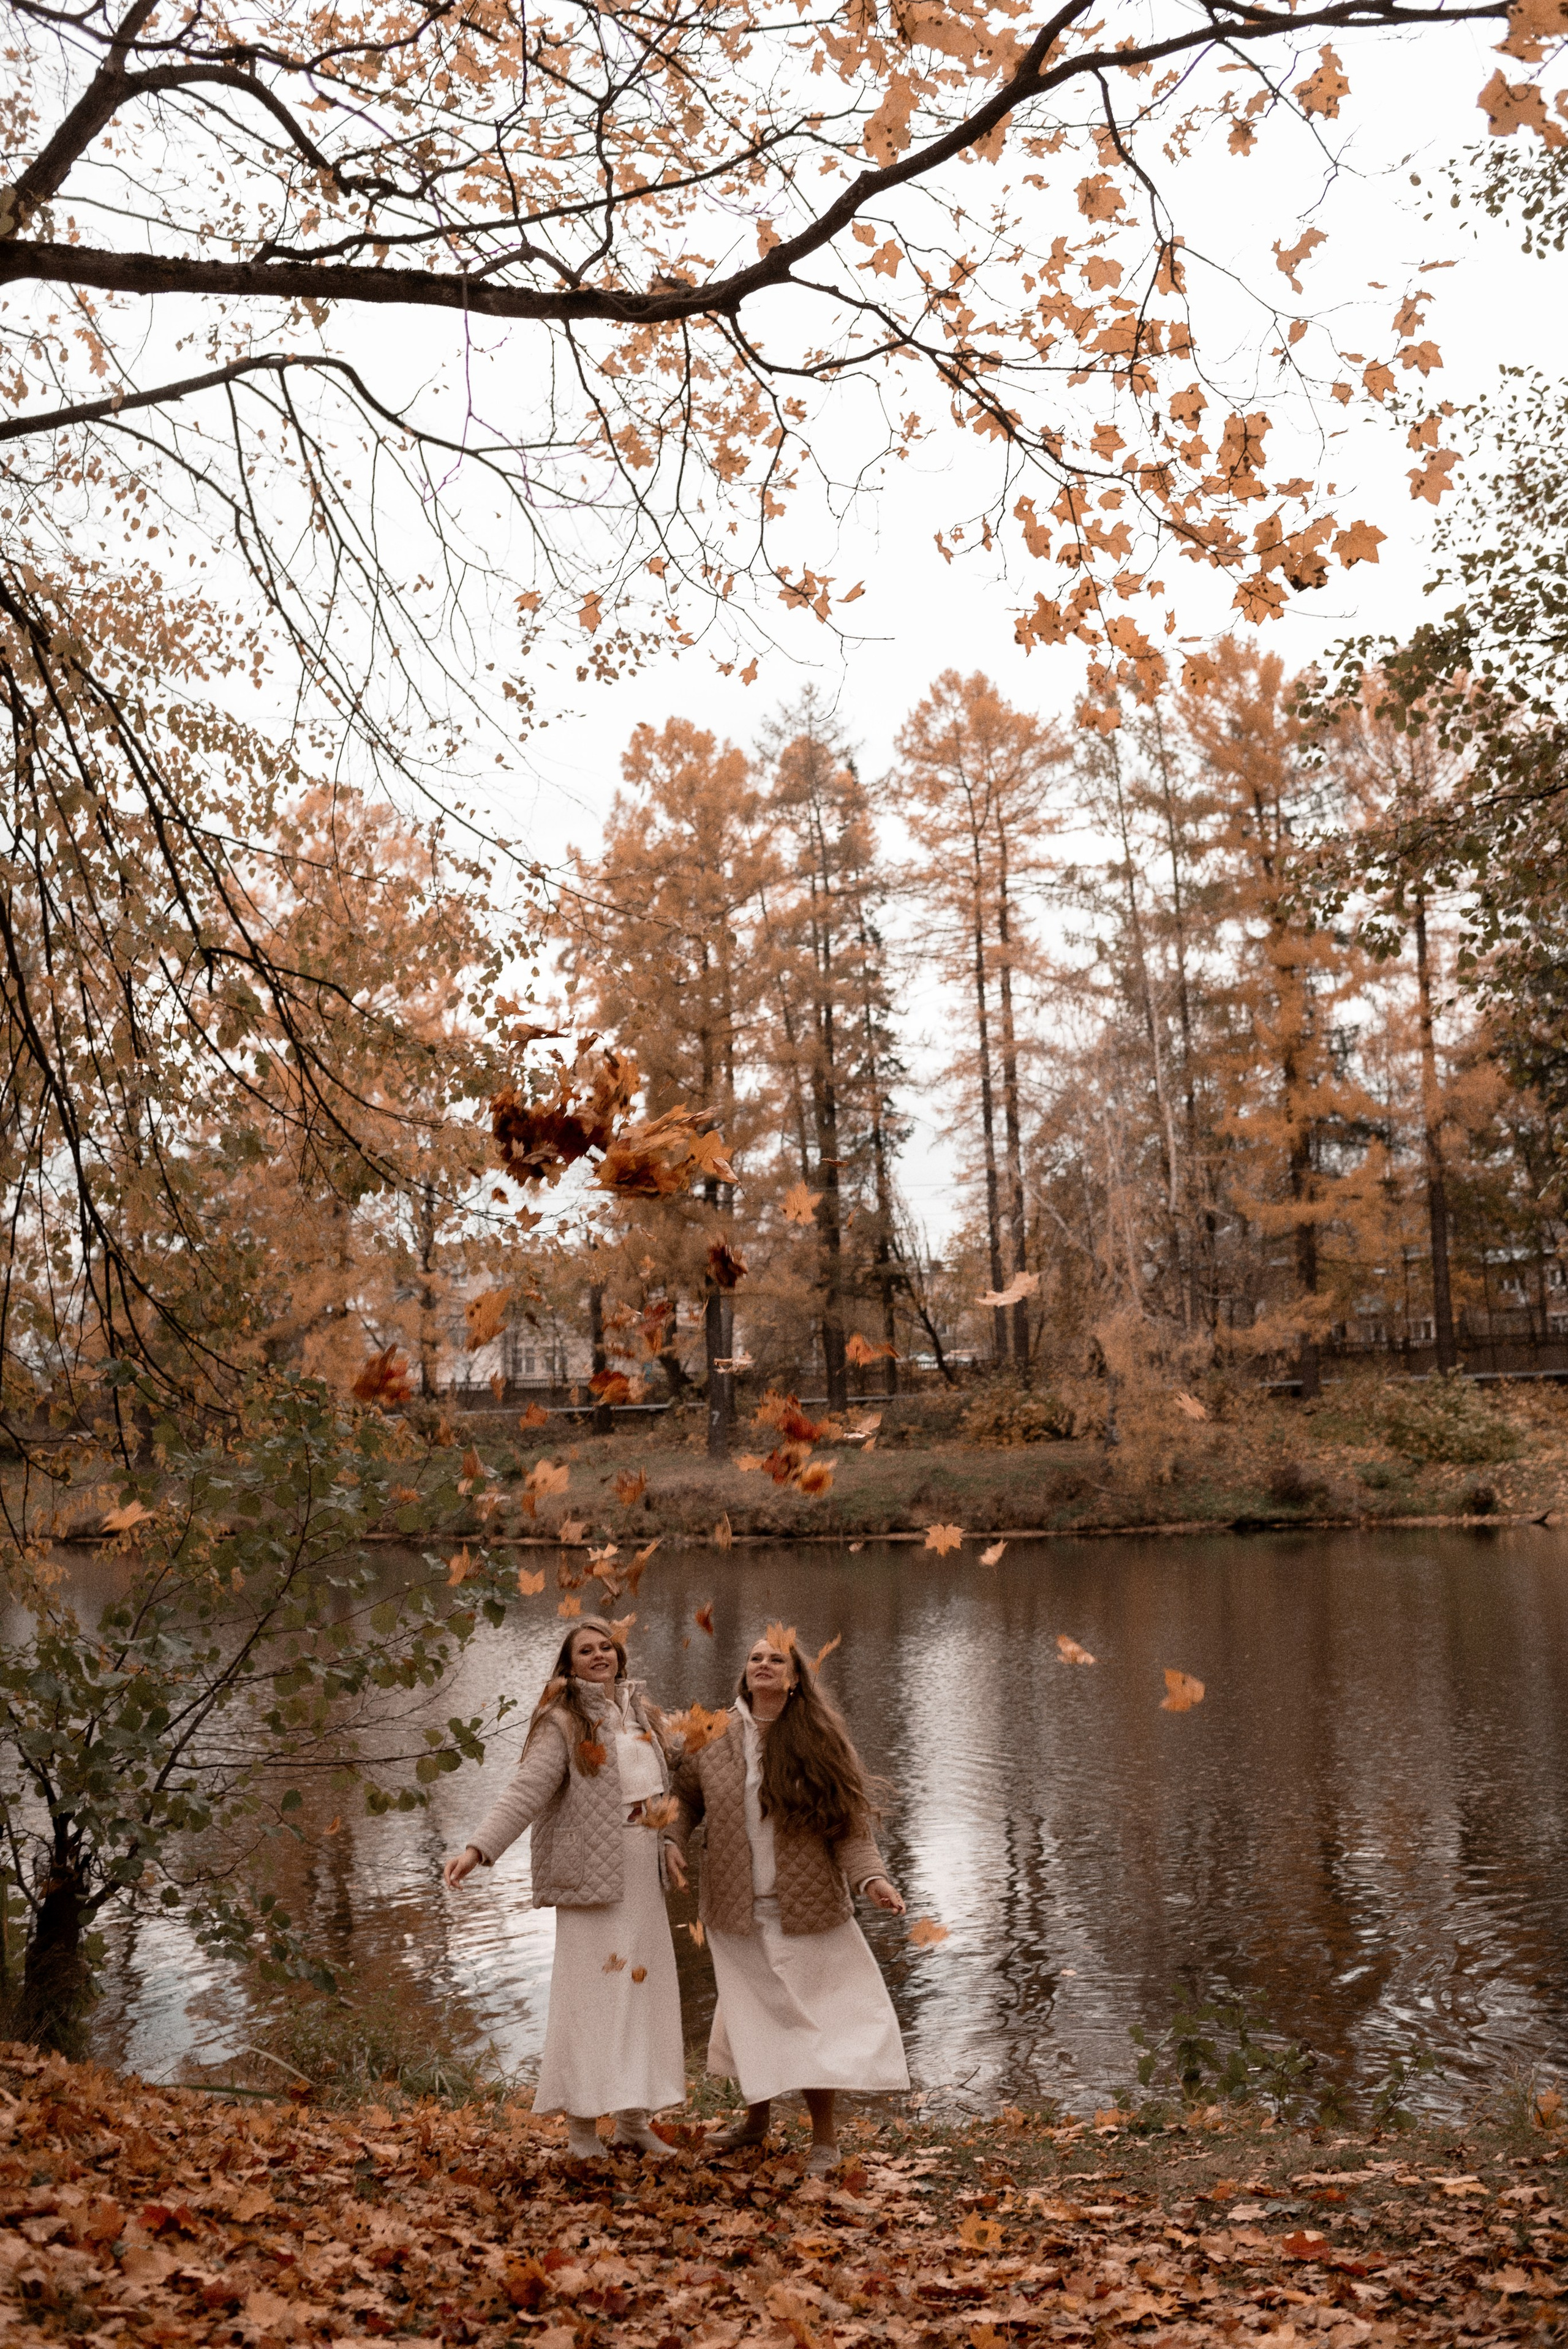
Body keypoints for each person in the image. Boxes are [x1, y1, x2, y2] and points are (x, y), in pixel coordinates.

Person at [668, 1625, 908, 2174]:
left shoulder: (817, 1739)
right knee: (752, 2017)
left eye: (777, 1658)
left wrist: (872, 1879)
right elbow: (684, 1799)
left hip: (808, 1908)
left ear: (795, 1676)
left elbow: (849, 1823)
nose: (764, 1664)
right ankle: (756, 2123)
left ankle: (825, 2139)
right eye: (755, 1657)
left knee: (813, 2021)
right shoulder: (713, 1734)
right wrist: (670, 1838)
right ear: (744, 1671)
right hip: (735, 1907)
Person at [443, 1616, 683, 2160]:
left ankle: (632, 2121)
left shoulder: (643, 1713)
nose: (600, 1655)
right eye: (586, 1650)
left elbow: (662, 1788)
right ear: (569, 1664)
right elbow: (526, 1789)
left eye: (606, 1647)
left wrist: (668, 1837)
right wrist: (478, 1849)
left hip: (643, 1867)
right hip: (592, 1877)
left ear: (619, 1655)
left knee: (641, 1993)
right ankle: (580, 2131)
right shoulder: (563, 1720)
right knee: (592, 1996)